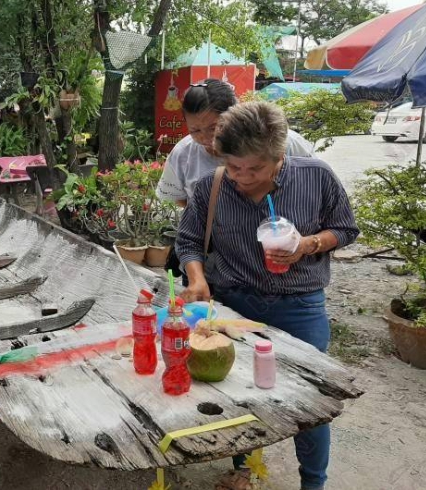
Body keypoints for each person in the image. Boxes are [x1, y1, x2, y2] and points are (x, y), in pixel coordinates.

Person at [176, 101, 359, 490]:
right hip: (235, 304)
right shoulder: (213, 187)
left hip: (299, 307)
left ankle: (313, 482)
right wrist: (197, 277)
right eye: (234, 166)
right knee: (238, 391)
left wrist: (307, 244)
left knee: (308, 400)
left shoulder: (316, 177)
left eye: (255, 168)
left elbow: (345, 228)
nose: (242, 177)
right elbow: (189, 239)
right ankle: (244, 467)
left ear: (278, 156)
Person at [156, 79, 314, 208]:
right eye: (195, 130)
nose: (206, 138)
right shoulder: (184, 153)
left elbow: (314, 185)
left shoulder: (284, 142)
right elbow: (176, 199)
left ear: (235, 113)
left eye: (214, 127)